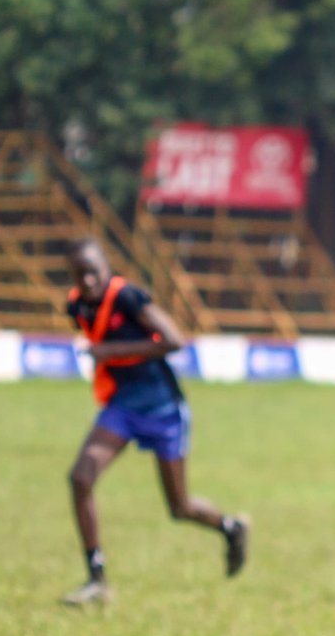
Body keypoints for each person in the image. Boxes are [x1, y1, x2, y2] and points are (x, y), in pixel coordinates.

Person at [61, 237, 249, 606]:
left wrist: (112, 352)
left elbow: (174, 340)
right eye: (79, 274)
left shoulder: (129, 297)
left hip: (163, 408)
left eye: (93, 272)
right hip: (123, 406)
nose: (87, 281)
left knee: (179, 508)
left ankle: (231, 528)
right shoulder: (76, 306)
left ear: (106, 268)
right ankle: (97, 578)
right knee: (80, 478)